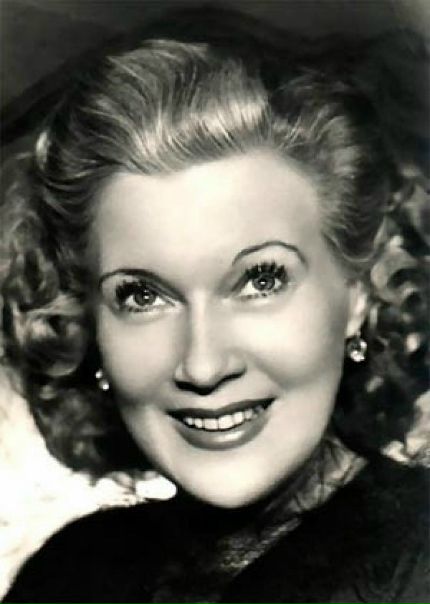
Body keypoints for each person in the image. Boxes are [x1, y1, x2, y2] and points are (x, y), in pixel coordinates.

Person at [1, 8, 429, 603]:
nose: (203, 366)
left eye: (261, 280)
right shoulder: (67, 579)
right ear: (91, 324)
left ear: (359, 293)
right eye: (141, 295)